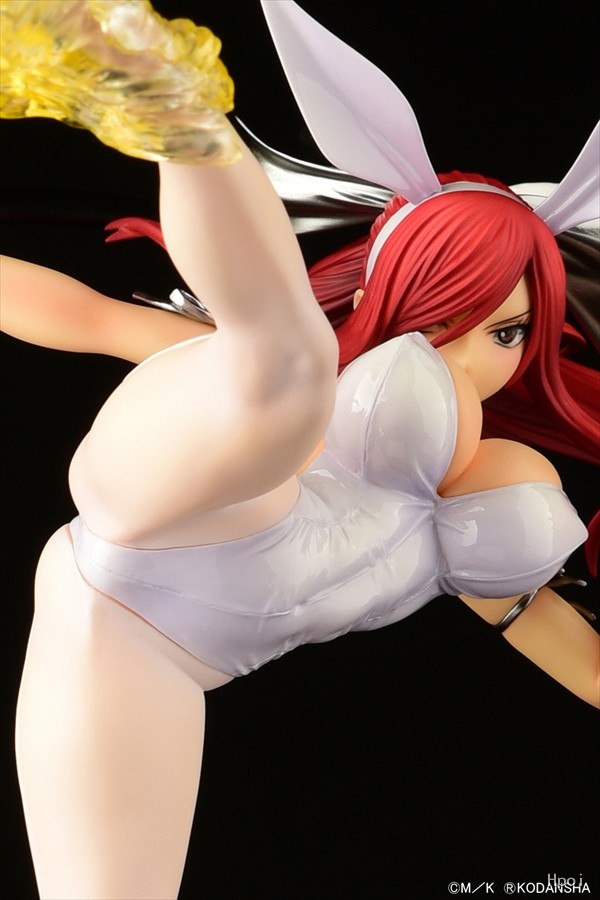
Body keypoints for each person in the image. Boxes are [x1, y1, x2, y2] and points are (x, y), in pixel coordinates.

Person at [1, 2, 598, 898]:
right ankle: (177, 104)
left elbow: (580, 661)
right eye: (441, 314)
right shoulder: (311, 385)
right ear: (382, 296)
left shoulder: (493, 508)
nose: (471, 358)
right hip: (179, 503)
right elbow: (90, 319)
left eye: (506, 332)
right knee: (291, 369)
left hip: (146, 653)